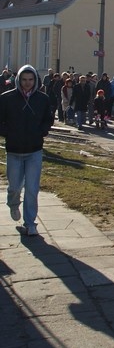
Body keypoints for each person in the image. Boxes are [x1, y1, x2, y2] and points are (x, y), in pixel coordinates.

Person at [1, 65, 54, 236]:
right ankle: (13, 203)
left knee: (32, 189)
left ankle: (30, 223)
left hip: (34, 150)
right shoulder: (7, 98)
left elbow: (48, 118)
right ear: (18, 80)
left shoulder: (42, 99)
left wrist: (42, 131)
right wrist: (7, 133)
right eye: (24, 80)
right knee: (15, 186)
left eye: (31, 80)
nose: (27, 83)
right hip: (14, 150)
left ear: (36, 80)